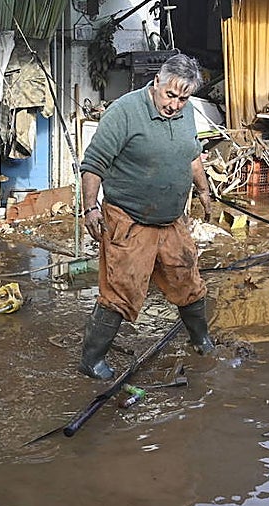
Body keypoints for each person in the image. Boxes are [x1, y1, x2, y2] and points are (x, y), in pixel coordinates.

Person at [76, 52, 216, 380]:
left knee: (188, 281)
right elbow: (93, 164)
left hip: (170, 220)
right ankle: (91, 360)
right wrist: (91, 208)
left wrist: (204, 189)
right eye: (171, 95)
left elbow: (192, 154)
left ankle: (202, 339)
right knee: (121, 290)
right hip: (129, 218)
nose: (175, 104)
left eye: (184, 98)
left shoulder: (185, 113)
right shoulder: (124, 112)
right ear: (156, 83)